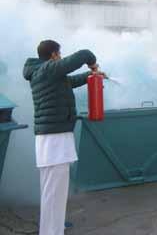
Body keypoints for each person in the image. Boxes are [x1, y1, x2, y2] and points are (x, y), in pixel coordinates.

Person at [23, 40, 104, 234]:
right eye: (59, 54)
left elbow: (70, 82)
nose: (60, 57)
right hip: (54, 140)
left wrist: (91, 75)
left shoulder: (46, 73)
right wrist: (93, 64)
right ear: (53, 55)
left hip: (53, 139)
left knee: (53, 191)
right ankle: (51, 231)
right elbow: (85, 53)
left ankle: (53, 227)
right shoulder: (48, 69)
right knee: (54, 192)